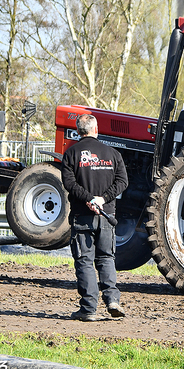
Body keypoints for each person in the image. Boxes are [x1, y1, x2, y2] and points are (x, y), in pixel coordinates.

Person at [61, 113, 128, 322]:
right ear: (96, 130)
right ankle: (112, 301)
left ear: (78, 131)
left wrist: (89, 199)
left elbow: (69, 183)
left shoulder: (71, 153)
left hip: (83, 217)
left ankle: (89, 308)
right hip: (107, 216)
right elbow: (123, 181)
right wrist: (103, 198)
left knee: (85, 261)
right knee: (107, 258)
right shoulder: (113, 153)